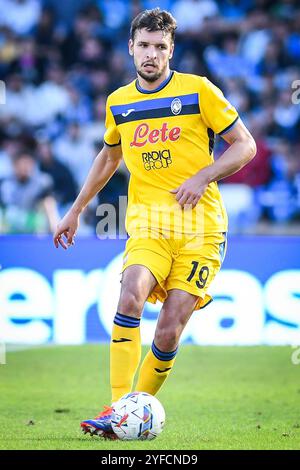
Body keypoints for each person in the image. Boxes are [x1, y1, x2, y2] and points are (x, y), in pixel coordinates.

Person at [53, 8, 256, 439]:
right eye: (143, 46)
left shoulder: (199, 91)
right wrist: (75, 210)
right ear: (131, 47)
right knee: (129, 296)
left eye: (160, 47)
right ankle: (116, 411)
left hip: (202, 232)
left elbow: (246, 146)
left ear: (171, 50)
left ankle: (130, 410)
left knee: (168, 328)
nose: (151, 54)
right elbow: (109, 157)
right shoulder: (119, 103)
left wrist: (203, 176)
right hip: (150, 226)